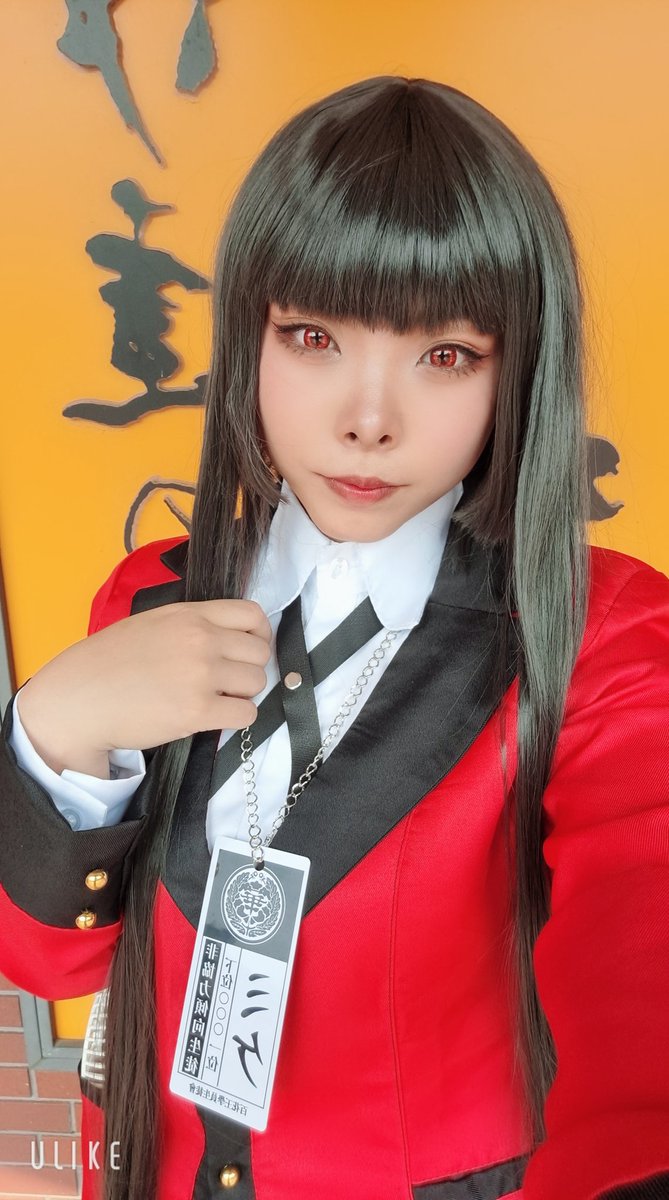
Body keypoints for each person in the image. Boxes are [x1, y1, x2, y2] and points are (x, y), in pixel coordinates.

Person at [0, 76, 667, 1200]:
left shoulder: (602, 638)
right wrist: (53, 726)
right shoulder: (152, 595)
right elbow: (48, 960)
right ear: (248, 339)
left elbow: (643, 996)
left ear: (518, 369)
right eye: (312, 337)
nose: (368, 420)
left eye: (444, 355)